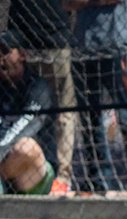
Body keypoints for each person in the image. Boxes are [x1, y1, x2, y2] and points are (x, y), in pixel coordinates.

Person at [67, 0, 127, 194]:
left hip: (114, 45)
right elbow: (66, 3)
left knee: (126, 115)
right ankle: (98, 178)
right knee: (90, 118)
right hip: (83, 46)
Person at [6, 0, 75, 191]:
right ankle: (22, 166)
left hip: (53, 42)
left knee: (64, 111)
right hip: (20, 42)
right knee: (22, 108)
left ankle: (62, 177)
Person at [0, 29, 57, 195]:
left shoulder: (38, 88)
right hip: (4, 166)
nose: (1, 59)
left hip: (30, 169)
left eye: (6, 52)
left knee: (25, 147)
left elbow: (25, 128)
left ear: (22, 55)